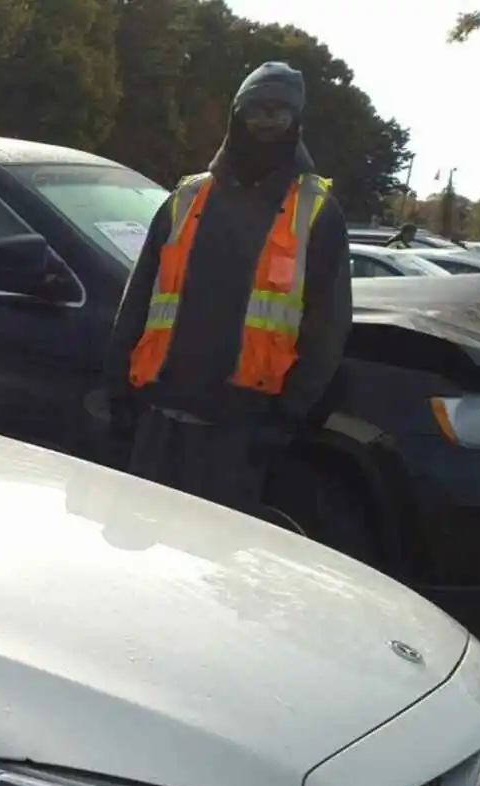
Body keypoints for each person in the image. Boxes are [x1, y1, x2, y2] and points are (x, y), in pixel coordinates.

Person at [104, 61, 353, 517]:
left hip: (239, 434)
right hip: (159, 421)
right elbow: (139, 296)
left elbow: (327, 328)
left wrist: (286, 417)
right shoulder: (186, 198)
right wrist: (117, 389)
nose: (266, 124)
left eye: (280, 113)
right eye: (257, 109)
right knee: (144, 562)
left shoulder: (317, 212)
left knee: (211, 571)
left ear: (296, 123)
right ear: (236, 114)